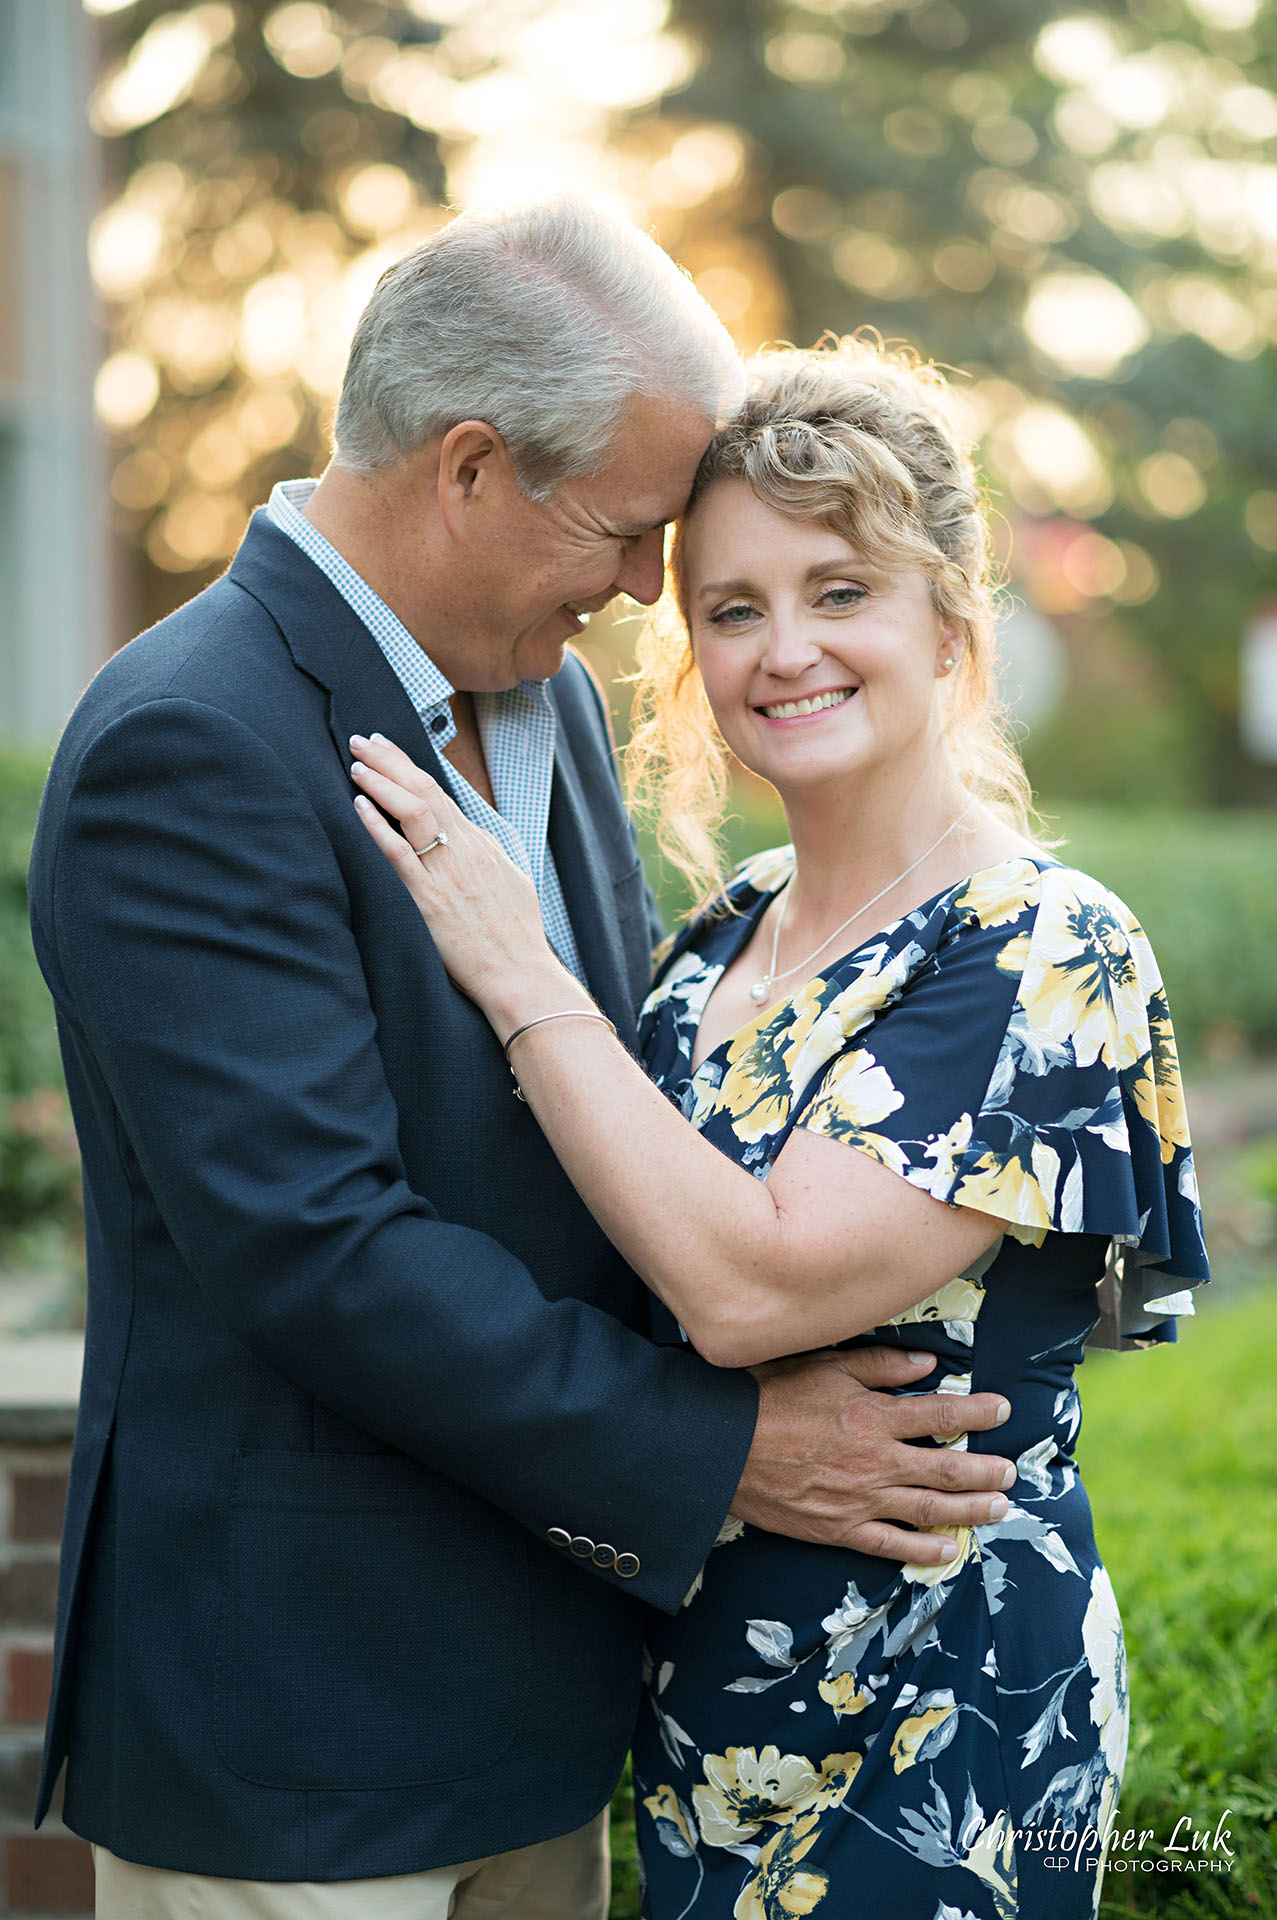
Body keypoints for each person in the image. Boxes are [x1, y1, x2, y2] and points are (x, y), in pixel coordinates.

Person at [27, 206, 1019, 1920]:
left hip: (542, 1699)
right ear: (471, 466)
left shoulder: (535, 694)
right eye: (627, 531)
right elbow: (318, 1246)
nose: (646, 588)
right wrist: (720, 1454)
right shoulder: (188, 739)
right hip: (302, 1736)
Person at [348, 336, 1210, 1920]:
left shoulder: (1034, 943)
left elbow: (753, 1286)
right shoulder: (711, 946)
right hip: (709, 1707)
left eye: (837, 591)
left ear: (946, 621)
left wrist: (509, 962)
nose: (781, 651)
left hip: (944, 1706)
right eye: (731, 608)